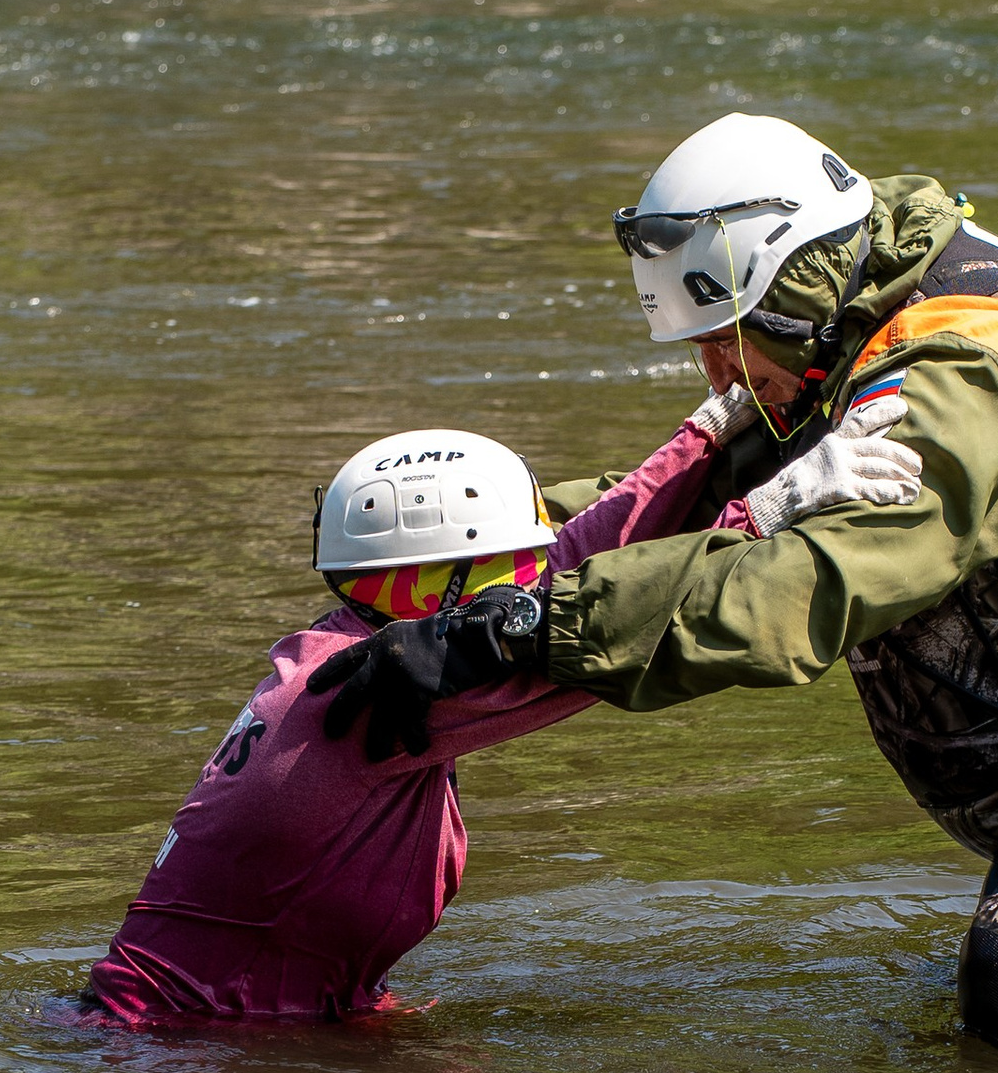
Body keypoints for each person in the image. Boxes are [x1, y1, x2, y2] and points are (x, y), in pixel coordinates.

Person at [325, 114, 998, 1058]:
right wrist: (432, 573)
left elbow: (823, 574)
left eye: (724, 334)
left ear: (791, 284)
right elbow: (662, 509)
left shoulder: (976, 364)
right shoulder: (831, 343)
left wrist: (531, 631)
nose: (713, 370)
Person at [81, 382, 920, 1028]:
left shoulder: (367, 642)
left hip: (275, 1017)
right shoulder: (370, 691)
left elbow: (577, 557)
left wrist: (709, 428)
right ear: (441, 580)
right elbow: (616, 631)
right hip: (180, 1041)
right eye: (509, 568)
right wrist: (767, 512)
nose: (531, 584)